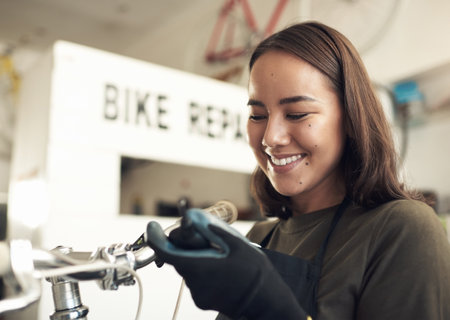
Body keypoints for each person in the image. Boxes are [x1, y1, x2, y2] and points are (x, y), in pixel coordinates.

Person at [146, 21, 450, 319]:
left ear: (351, 118)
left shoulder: (402, 229)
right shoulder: (262, 236)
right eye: (257, 115)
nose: (270, 138)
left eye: (296, 114)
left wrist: (268, 306)